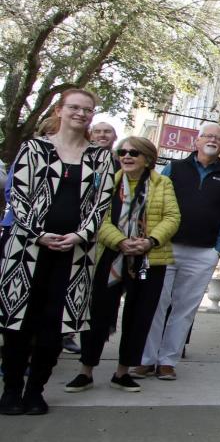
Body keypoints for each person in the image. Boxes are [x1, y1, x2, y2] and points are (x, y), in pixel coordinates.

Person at [0, 89, 115, 415]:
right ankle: (11, 390)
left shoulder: (101, 157)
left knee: (55, 323)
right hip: (26, 249)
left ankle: (36, 390)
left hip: (74, 254)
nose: (81, 114)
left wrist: (80, 235)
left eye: (88, 110)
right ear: (61, 110)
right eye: (75, 107)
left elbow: (101, 204)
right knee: (17, 320)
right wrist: (39, 233)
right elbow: (18, 197)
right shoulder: (34, 148)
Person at [64, 137, 180, 393]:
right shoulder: (108, 181)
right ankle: (86, 371)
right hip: (112, 256)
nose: (126, 156)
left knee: (139, 317)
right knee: (98, 314)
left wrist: (150, 241)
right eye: (123, 152)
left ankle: (122, 372)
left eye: (133, 153)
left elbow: (172, 217)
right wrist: (120, 241)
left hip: (150, 259)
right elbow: (97, 217)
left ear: (147, 158)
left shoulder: (163, 183)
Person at [135, 123, 220, 380]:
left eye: (218, 137)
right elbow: (155, 203)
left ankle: (168, 361)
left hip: (203, 252)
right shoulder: (174, 168)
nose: (213, 140)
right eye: (208, 136)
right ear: (197, 140)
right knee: (157, 303)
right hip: (166, 247)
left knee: (185, 309)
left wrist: (218, 249)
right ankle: (147, 359)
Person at [62, 118, 120, 355]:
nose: (102, 135)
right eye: (98, 131)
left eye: (107, 132)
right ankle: (65, 333)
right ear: (90, 134)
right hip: (74, 230)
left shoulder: (119, 162)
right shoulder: (80, 157)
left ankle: (83, 331)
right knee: (69, 284)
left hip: (105, 234)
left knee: (92, 288)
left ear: (114, 137)